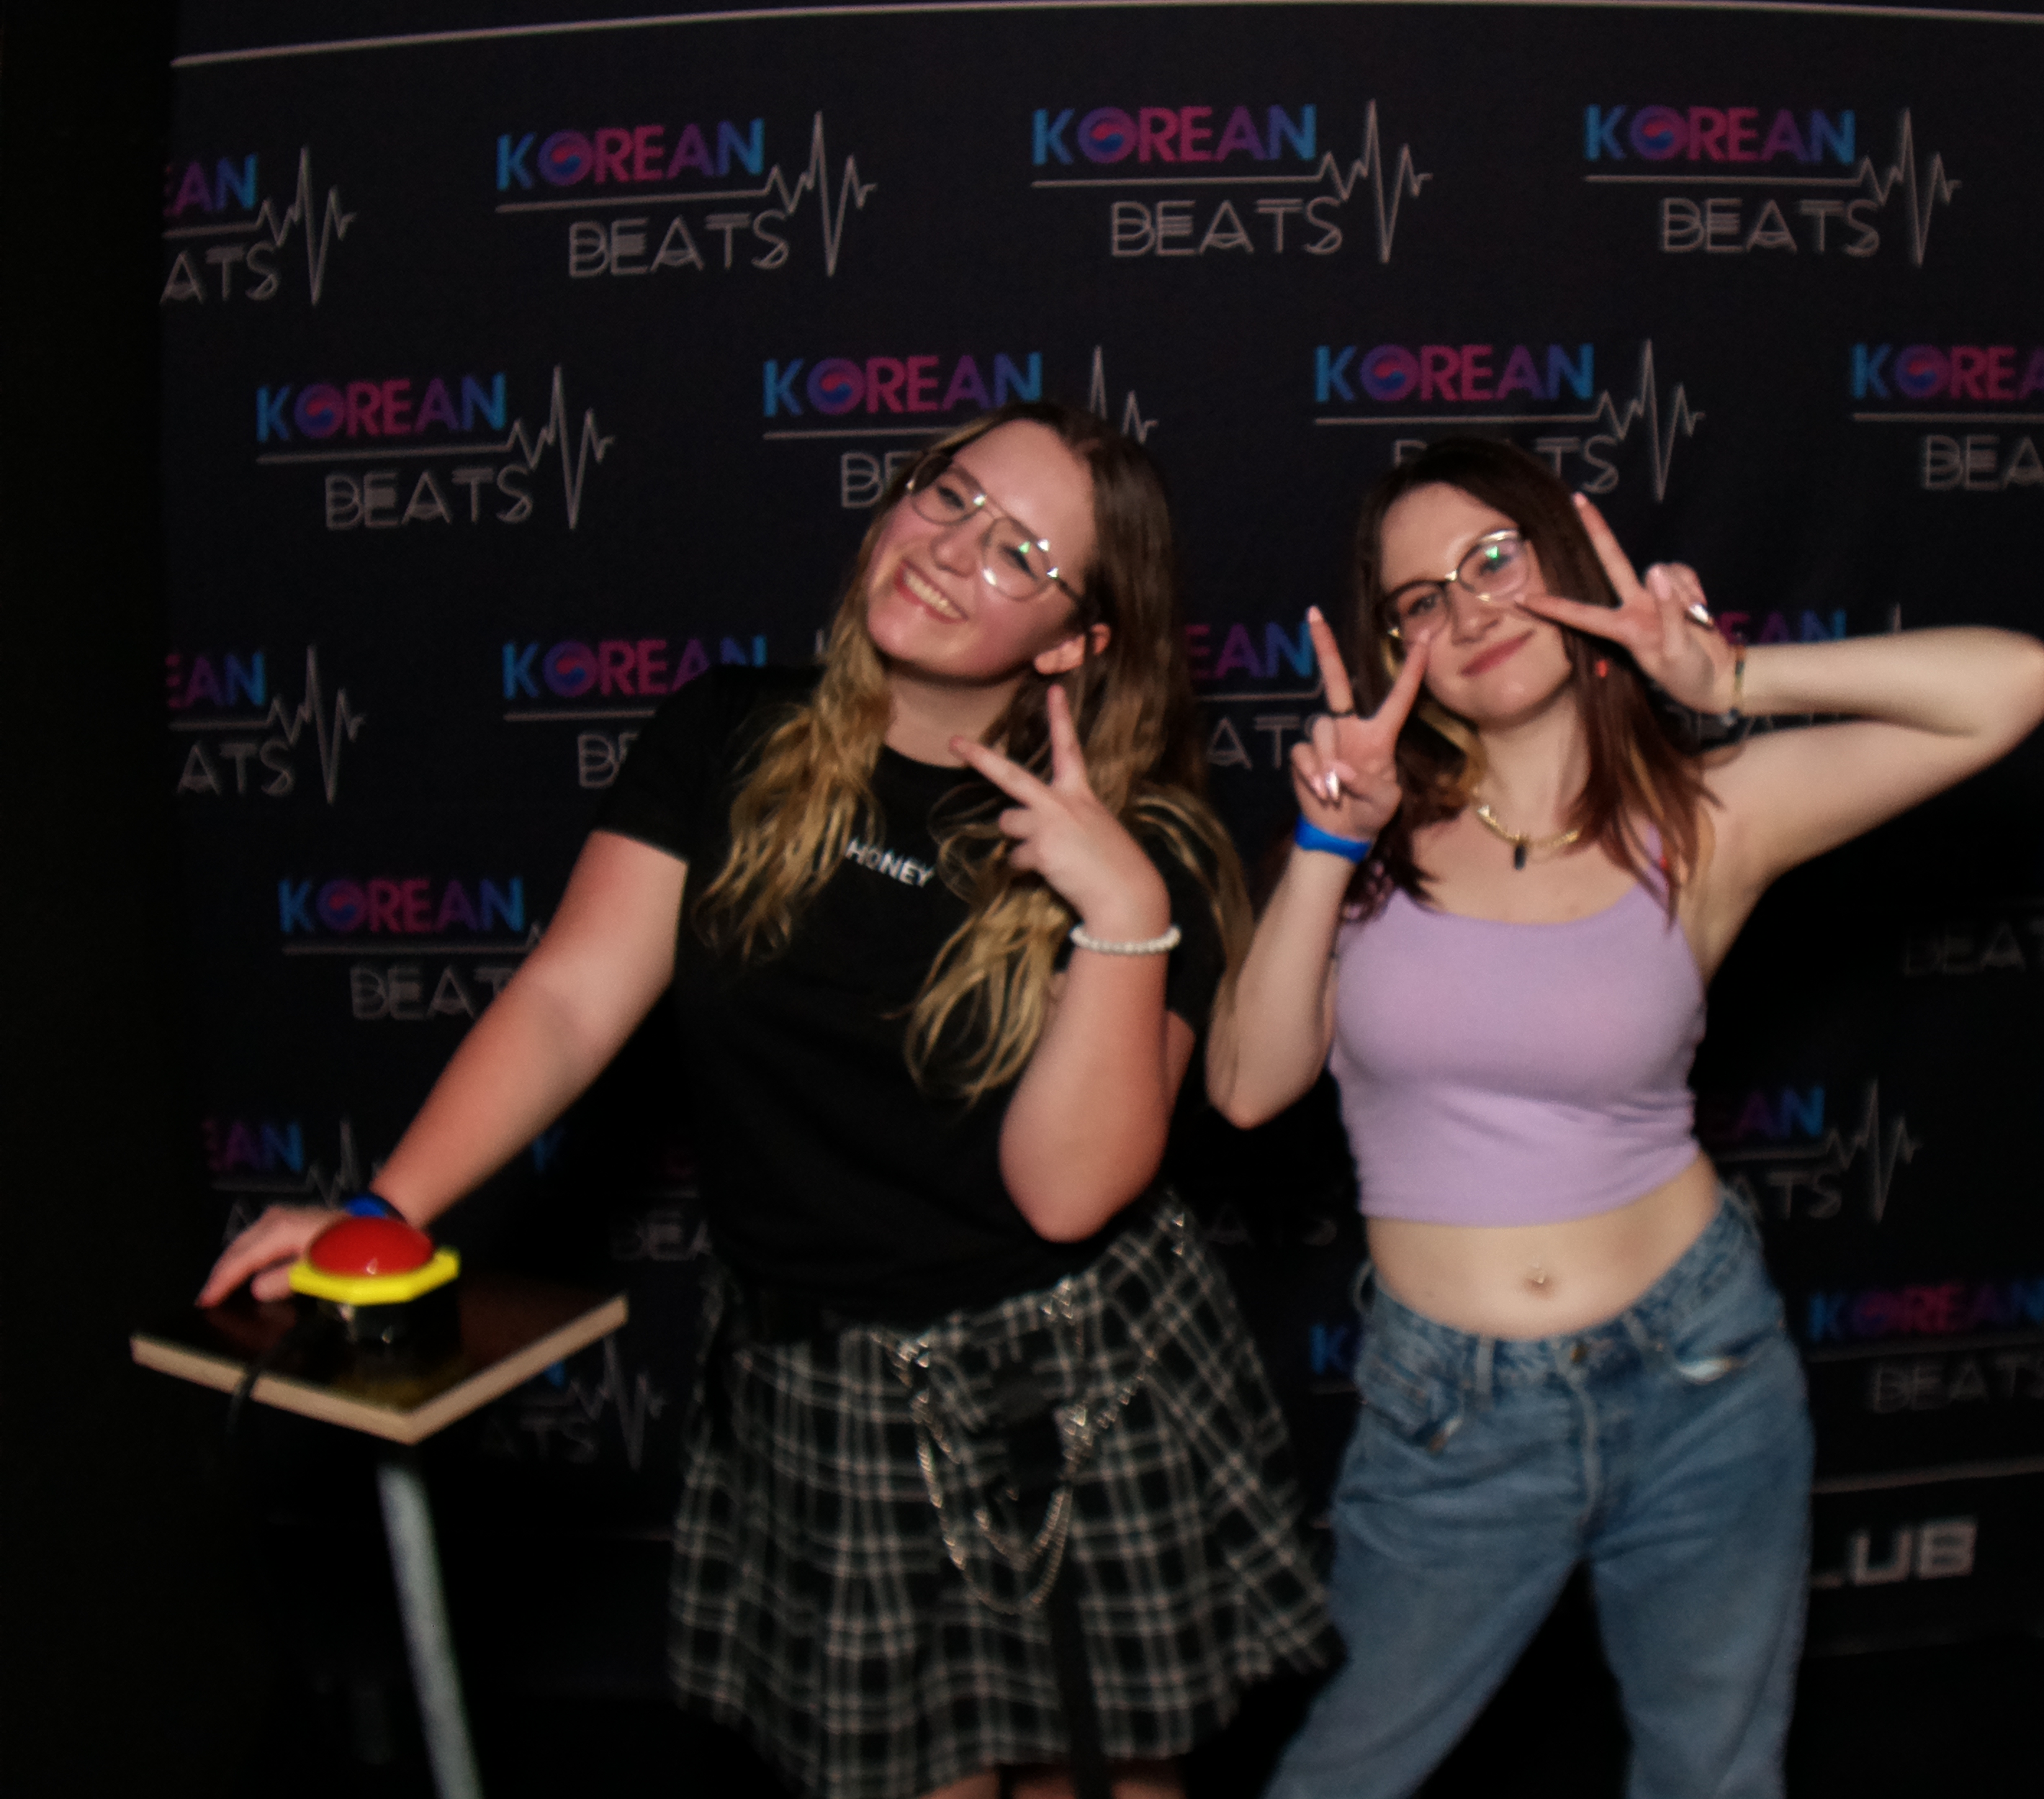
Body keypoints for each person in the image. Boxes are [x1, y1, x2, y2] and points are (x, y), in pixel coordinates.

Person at [204, 401, 1332, 1799]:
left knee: (1098, 1783)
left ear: (1074, 641)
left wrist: (1119, 914)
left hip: (1068, 1385)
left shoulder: (1143, 846)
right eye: (950, 495)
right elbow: (570, 999)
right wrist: (386, 1211)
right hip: (816, 1379)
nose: (951, 547)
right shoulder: (728, 732)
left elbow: (1068, 1195)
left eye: (1019, 551)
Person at [1207, 437, 2044, 1799]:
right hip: (1454, 1413)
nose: (1469, 609)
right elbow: (1248, 1089)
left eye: (1494, 559)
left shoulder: (1702, 815)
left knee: (1713, 1778)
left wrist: (1734, 681)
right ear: (1393, 645)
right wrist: (1327, 841)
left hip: (1700, 1371)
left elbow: (2012, 686)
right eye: (1421, 598)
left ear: (1563, 559)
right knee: (1342, 1778)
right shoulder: (1359, 852)